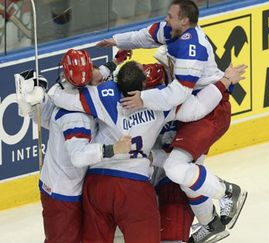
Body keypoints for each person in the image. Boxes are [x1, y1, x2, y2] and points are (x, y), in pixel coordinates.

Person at [97, 1, 248, 241]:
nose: (166, 19)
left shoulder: (193, 50)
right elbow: (144, 36)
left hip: (208, 108)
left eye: (170, 16)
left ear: (184, 21)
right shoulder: (172, 31)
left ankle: (228, 192)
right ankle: (211, 224)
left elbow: (182, 99)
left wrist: (144, 99)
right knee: (188, 173)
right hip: (195, 105)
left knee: (176, 168)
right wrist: (116, 40)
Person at [48, 59, 246, 242]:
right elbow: (197, 107)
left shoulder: (104, 94)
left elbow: (66, 98)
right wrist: (224, 82)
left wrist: (53, 87)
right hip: (136, 187)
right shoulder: (160, 101)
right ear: (144, 86)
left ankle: (211, 218)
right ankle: (216, 207)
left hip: (98, 183)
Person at [14, 49, 132, 243]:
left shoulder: (62, 87)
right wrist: (113, 150)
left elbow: (96, 75)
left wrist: (114, 62)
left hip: (61, 184)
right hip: (62, 192)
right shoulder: (77, 118)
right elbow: (78, 157)